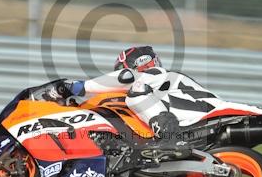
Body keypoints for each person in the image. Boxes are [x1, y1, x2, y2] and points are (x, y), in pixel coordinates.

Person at [45, 45, 230, 153]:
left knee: (136, 93)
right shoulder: (161, 84)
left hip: (206, 113)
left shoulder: (153, 75)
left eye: (120, 69)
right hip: (197, 118)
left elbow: (129, 77)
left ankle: (170, 139)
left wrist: (78, 87)